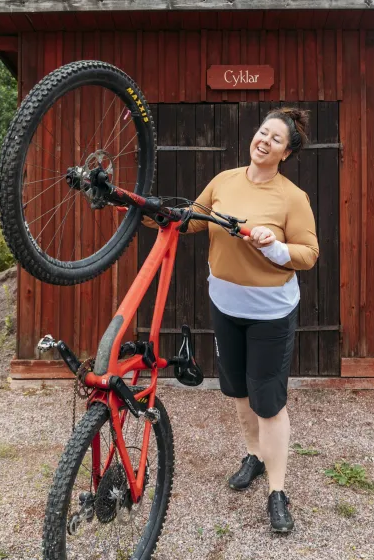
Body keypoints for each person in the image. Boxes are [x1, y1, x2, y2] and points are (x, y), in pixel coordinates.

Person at [142, 107, 319, 532]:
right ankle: (255, 457)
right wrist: (149, 214)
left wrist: (276, 247)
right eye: (263, 132)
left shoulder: (292, 197)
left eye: (276, 139)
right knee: (238, 391)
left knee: (269, 402)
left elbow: (309, 254)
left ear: (287, 152)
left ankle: (278, 492)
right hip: (226, 307)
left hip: (270, 314)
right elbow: (193, 221)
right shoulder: (224, 180)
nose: (265, 141)